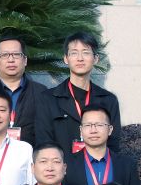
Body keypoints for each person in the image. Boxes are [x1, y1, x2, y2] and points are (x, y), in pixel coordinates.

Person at [39, 30, 121, 162]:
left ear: (95, 59)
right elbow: (43, 143)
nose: (80, 58)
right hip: (61, 170)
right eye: (74, 53)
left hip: (97, 170)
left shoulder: (108, 100)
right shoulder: (48, 99)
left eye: (86, 52)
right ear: (66, 58)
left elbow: (113, 145)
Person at [65, 107, 141, 185]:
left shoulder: (126, 165)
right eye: (88, 125)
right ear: (81, 130)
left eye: (99, 125)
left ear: (110, 129)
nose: (93, 130)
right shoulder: (67, 165)